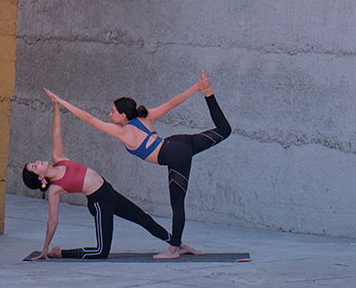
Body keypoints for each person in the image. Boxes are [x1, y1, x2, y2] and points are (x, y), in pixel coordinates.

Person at [45, 69, 231, 259]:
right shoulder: (144, 117)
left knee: (177, 204)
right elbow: (171, 103)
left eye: (112, 111)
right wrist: (197, 87)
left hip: (174, 154)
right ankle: (208, 94)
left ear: (123, 116)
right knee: (224, 130)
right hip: (179, 142)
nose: (109, 114)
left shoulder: (123, 132)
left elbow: (90, 119)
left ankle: (174, 249)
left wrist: (63, 102)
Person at [23, 100, 179, 260]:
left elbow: (56, 132)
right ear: (40, 177)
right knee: (101, 252)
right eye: (34, 167)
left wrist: (56, 105)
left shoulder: (59, 159)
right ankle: (59, 253)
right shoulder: (54, 189)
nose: (37, 162)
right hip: (100, 204)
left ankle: (177, 244)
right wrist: (45, 248)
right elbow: (52, 220)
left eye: (34, 163)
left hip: (109, 192)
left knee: (144, 219)